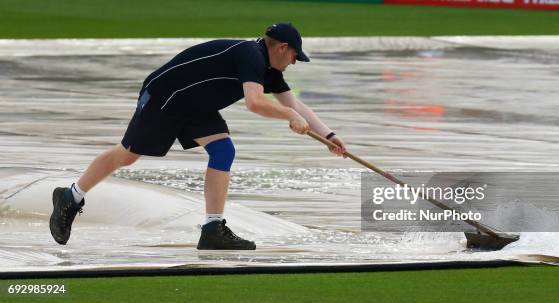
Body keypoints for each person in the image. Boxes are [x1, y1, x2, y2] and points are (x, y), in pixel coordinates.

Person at [49, 23, 348, 250]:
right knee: (127, 155)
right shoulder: (250, 55)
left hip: (197, 105)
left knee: (223, 151)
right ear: (282, 47)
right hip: (166, 96)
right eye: (295, 56)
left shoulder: (269, 69)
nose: (295, 62)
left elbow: (294, 104)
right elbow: (255, 103)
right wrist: (289, 117)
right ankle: (70, 196)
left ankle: (212, 229)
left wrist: (329, 136)